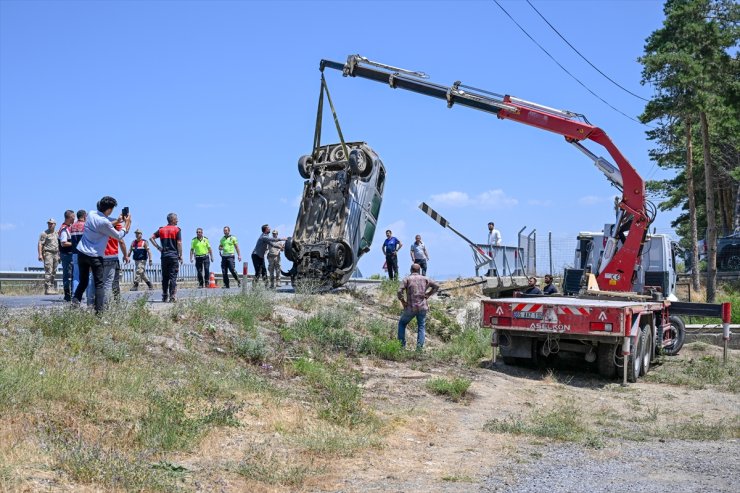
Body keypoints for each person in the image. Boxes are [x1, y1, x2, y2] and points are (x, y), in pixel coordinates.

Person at [73, 196, 131, 313]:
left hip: (82, 253)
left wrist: (118, 221)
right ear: (109, 210)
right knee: (100, 285)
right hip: (95, 256)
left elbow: (102, 225)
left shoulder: (91, 214)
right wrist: (127, 223)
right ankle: (99, 312)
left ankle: (74, 304)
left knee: (83, 282)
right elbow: (119, 235)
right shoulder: (104, 222)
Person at [397, 263, 439, 350]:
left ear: (411, 270)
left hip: (411, 307)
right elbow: (437, 286)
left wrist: (403, 301)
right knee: (421, 326)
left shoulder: (407, 279)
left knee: (402, 323)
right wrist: (428, 294)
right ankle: (419, 349)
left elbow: (399, 291)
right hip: (422, 307)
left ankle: (401, 346)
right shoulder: (425, 278)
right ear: (419, 270)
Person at [150, 213, 182, 302]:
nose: (177, 220)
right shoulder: (177, 230)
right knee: (173, 277)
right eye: (176, 219)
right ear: (172, 220)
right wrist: (180, 255)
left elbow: (151, 238)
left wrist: (158, 248)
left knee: (165, 277)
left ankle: (164, 295)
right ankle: (172, 296)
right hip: (173, 256)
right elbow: (179, 243)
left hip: (164, 256)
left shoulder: (161, 229)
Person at [103, 222, 128, 303]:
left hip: (101, 257)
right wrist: (125, 255)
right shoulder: (116, 226)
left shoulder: (100, 225)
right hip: (113, 256)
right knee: (114, 281)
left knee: (101, 281)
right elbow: (121, 241)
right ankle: (117, 301)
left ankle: (99, 301)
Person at [38, 218, 60, 295]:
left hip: (56, 254)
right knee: (48, 271)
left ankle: (52, 286)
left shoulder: (57, 233)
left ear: (55, 224)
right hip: (48, 253)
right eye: (49, 223)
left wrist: (59, 255)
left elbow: (59, 244)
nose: (50, 225)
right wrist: (40, 254)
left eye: (51, 223)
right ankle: (48, 288)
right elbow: (40, 244)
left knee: (54, 271)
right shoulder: (44, 233)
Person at [58, 210, 75, 301]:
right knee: (68, 275)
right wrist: (74, 244)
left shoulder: (69, 227)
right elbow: (63, 243)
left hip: (69, 254)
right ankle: (68, 295)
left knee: (72, 274)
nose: (74, 218)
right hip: (67, 255)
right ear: (69, 217)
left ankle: (71, 294)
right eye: (73, 217)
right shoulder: (64, 229)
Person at [70, 209, 86, 293]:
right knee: (87, 275)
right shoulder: (85, 225)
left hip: (75, 253)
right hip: (84, 253)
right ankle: (88, 296)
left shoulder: (72, 226)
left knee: (76, 276)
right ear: (84, 216)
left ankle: (74, 295)